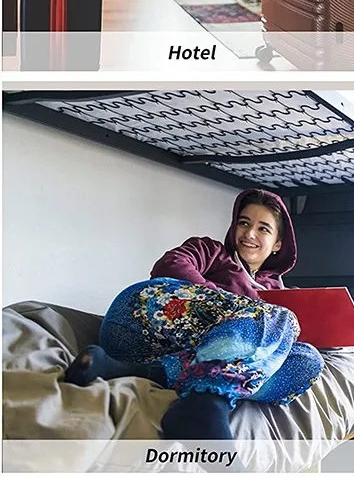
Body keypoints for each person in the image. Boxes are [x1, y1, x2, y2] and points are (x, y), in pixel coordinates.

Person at [64, 189, 323, 443]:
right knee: (278, 317)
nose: (249, 233)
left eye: (263, 228)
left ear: (278, 243)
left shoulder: (277, 292)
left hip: (158, 358)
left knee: (308, 360)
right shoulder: (212, 251)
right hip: (138, 319)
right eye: (244, 223)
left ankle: (129, 371)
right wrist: (233, 304)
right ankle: (205, 408)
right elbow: (170, 265)